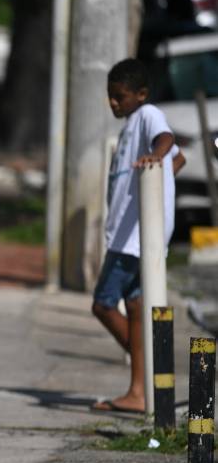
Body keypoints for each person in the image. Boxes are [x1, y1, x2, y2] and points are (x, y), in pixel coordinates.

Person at [91, 58, 185, 414]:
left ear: (141, 95)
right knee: (133, 308)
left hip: (133, 239)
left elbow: (167, 141)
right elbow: (180, 159)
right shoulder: (131, 125)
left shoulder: (147, 117)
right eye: (110, 97)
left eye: (120, 96)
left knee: (103, 303)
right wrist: (163, 172)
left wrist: (154, 158)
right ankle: (139, 392)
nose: (114, 103)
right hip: (130, 235)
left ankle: (148, 360)